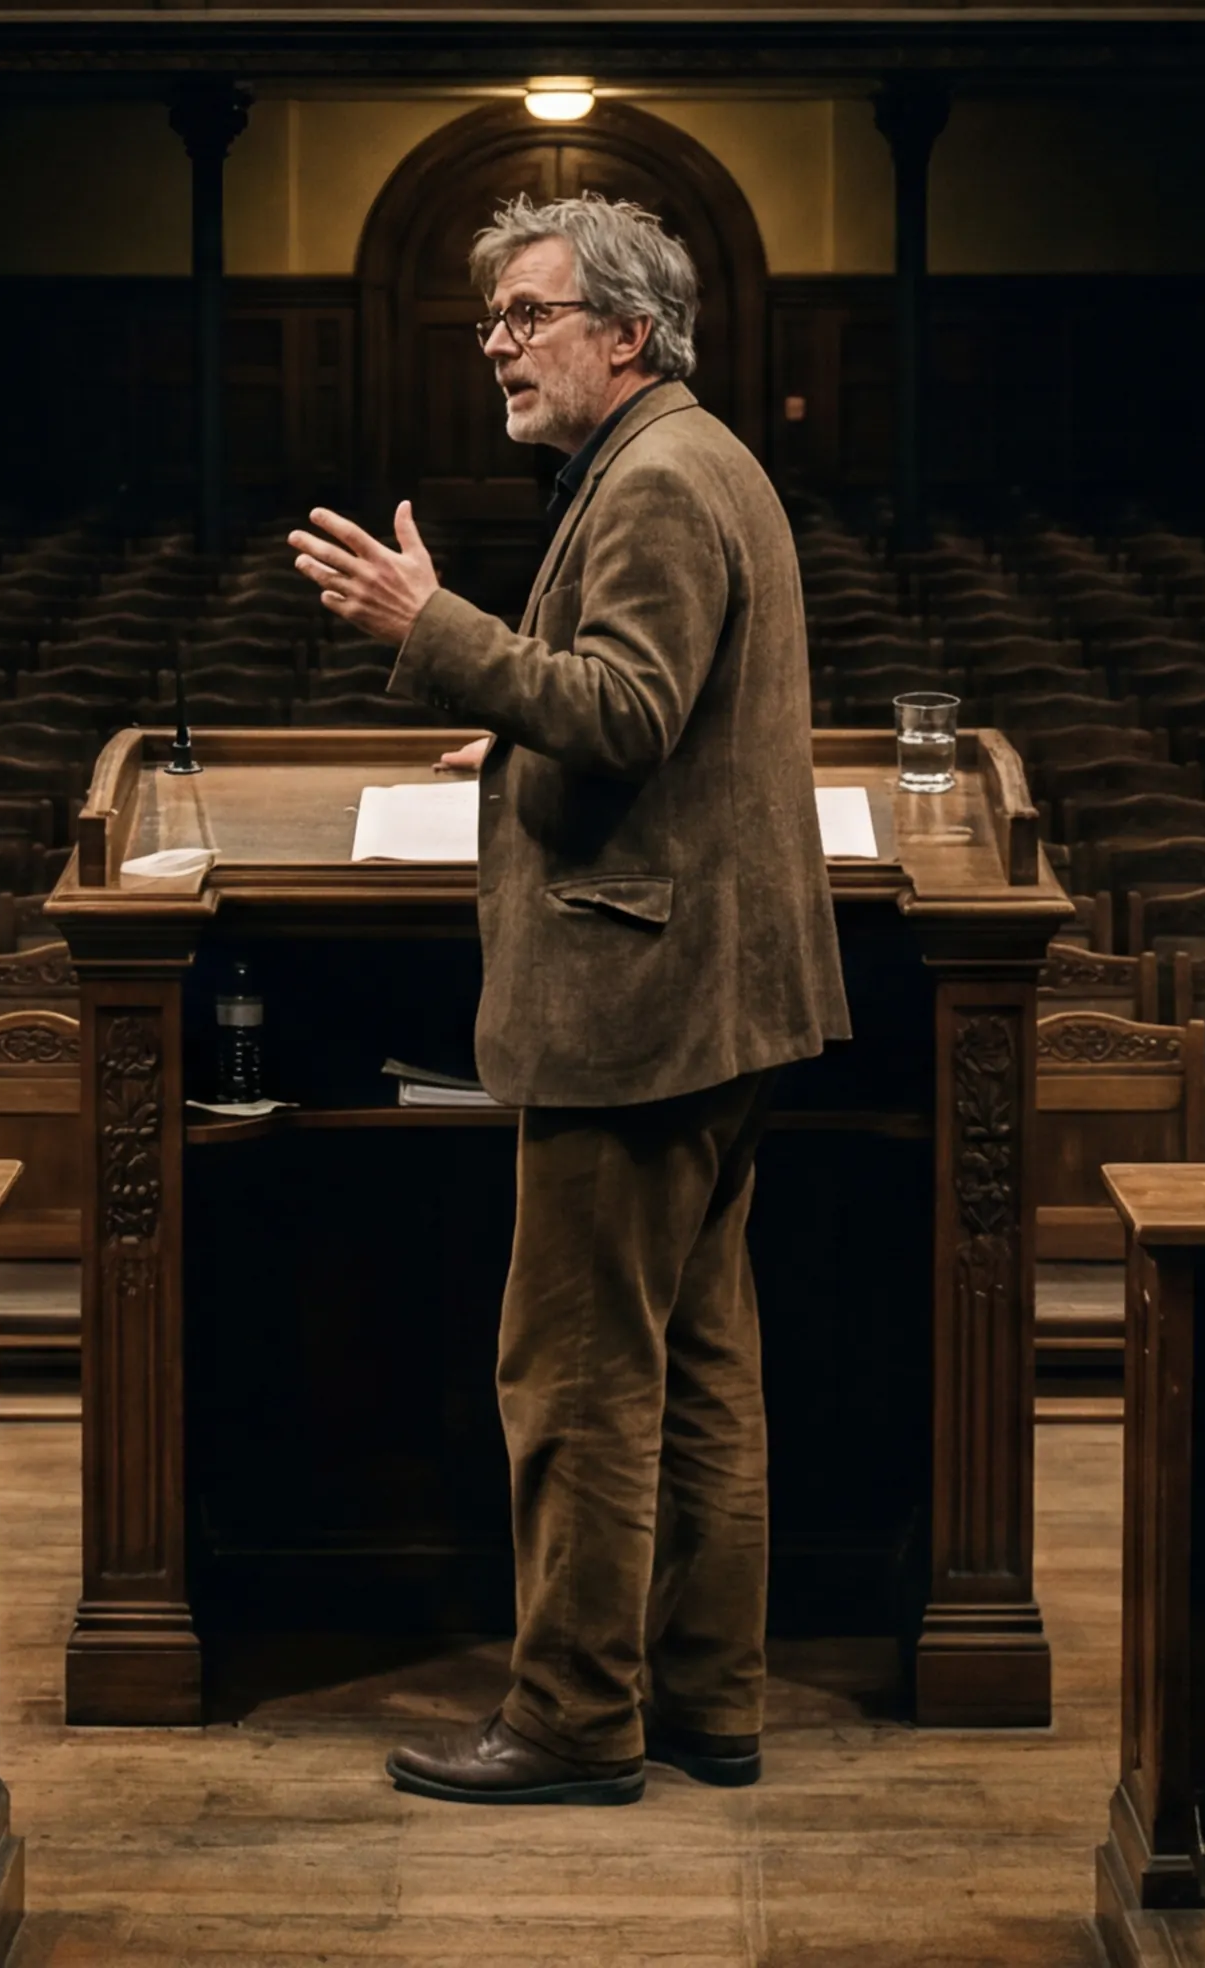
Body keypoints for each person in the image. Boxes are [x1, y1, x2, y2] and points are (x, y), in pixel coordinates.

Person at [289, 189, 847, 1807]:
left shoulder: (661, 476)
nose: (499, 348)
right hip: (707, 994)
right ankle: (705, 1701)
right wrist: (517, 725)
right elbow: (638, 708)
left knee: (582, 1380)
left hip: (638, 1001)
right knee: (700, 1366)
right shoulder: (682, 451)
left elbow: (628, 709)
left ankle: (571, 1724)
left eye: (528, 317)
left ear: (627, 330)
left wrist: (435, 630)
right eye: (492, 322)